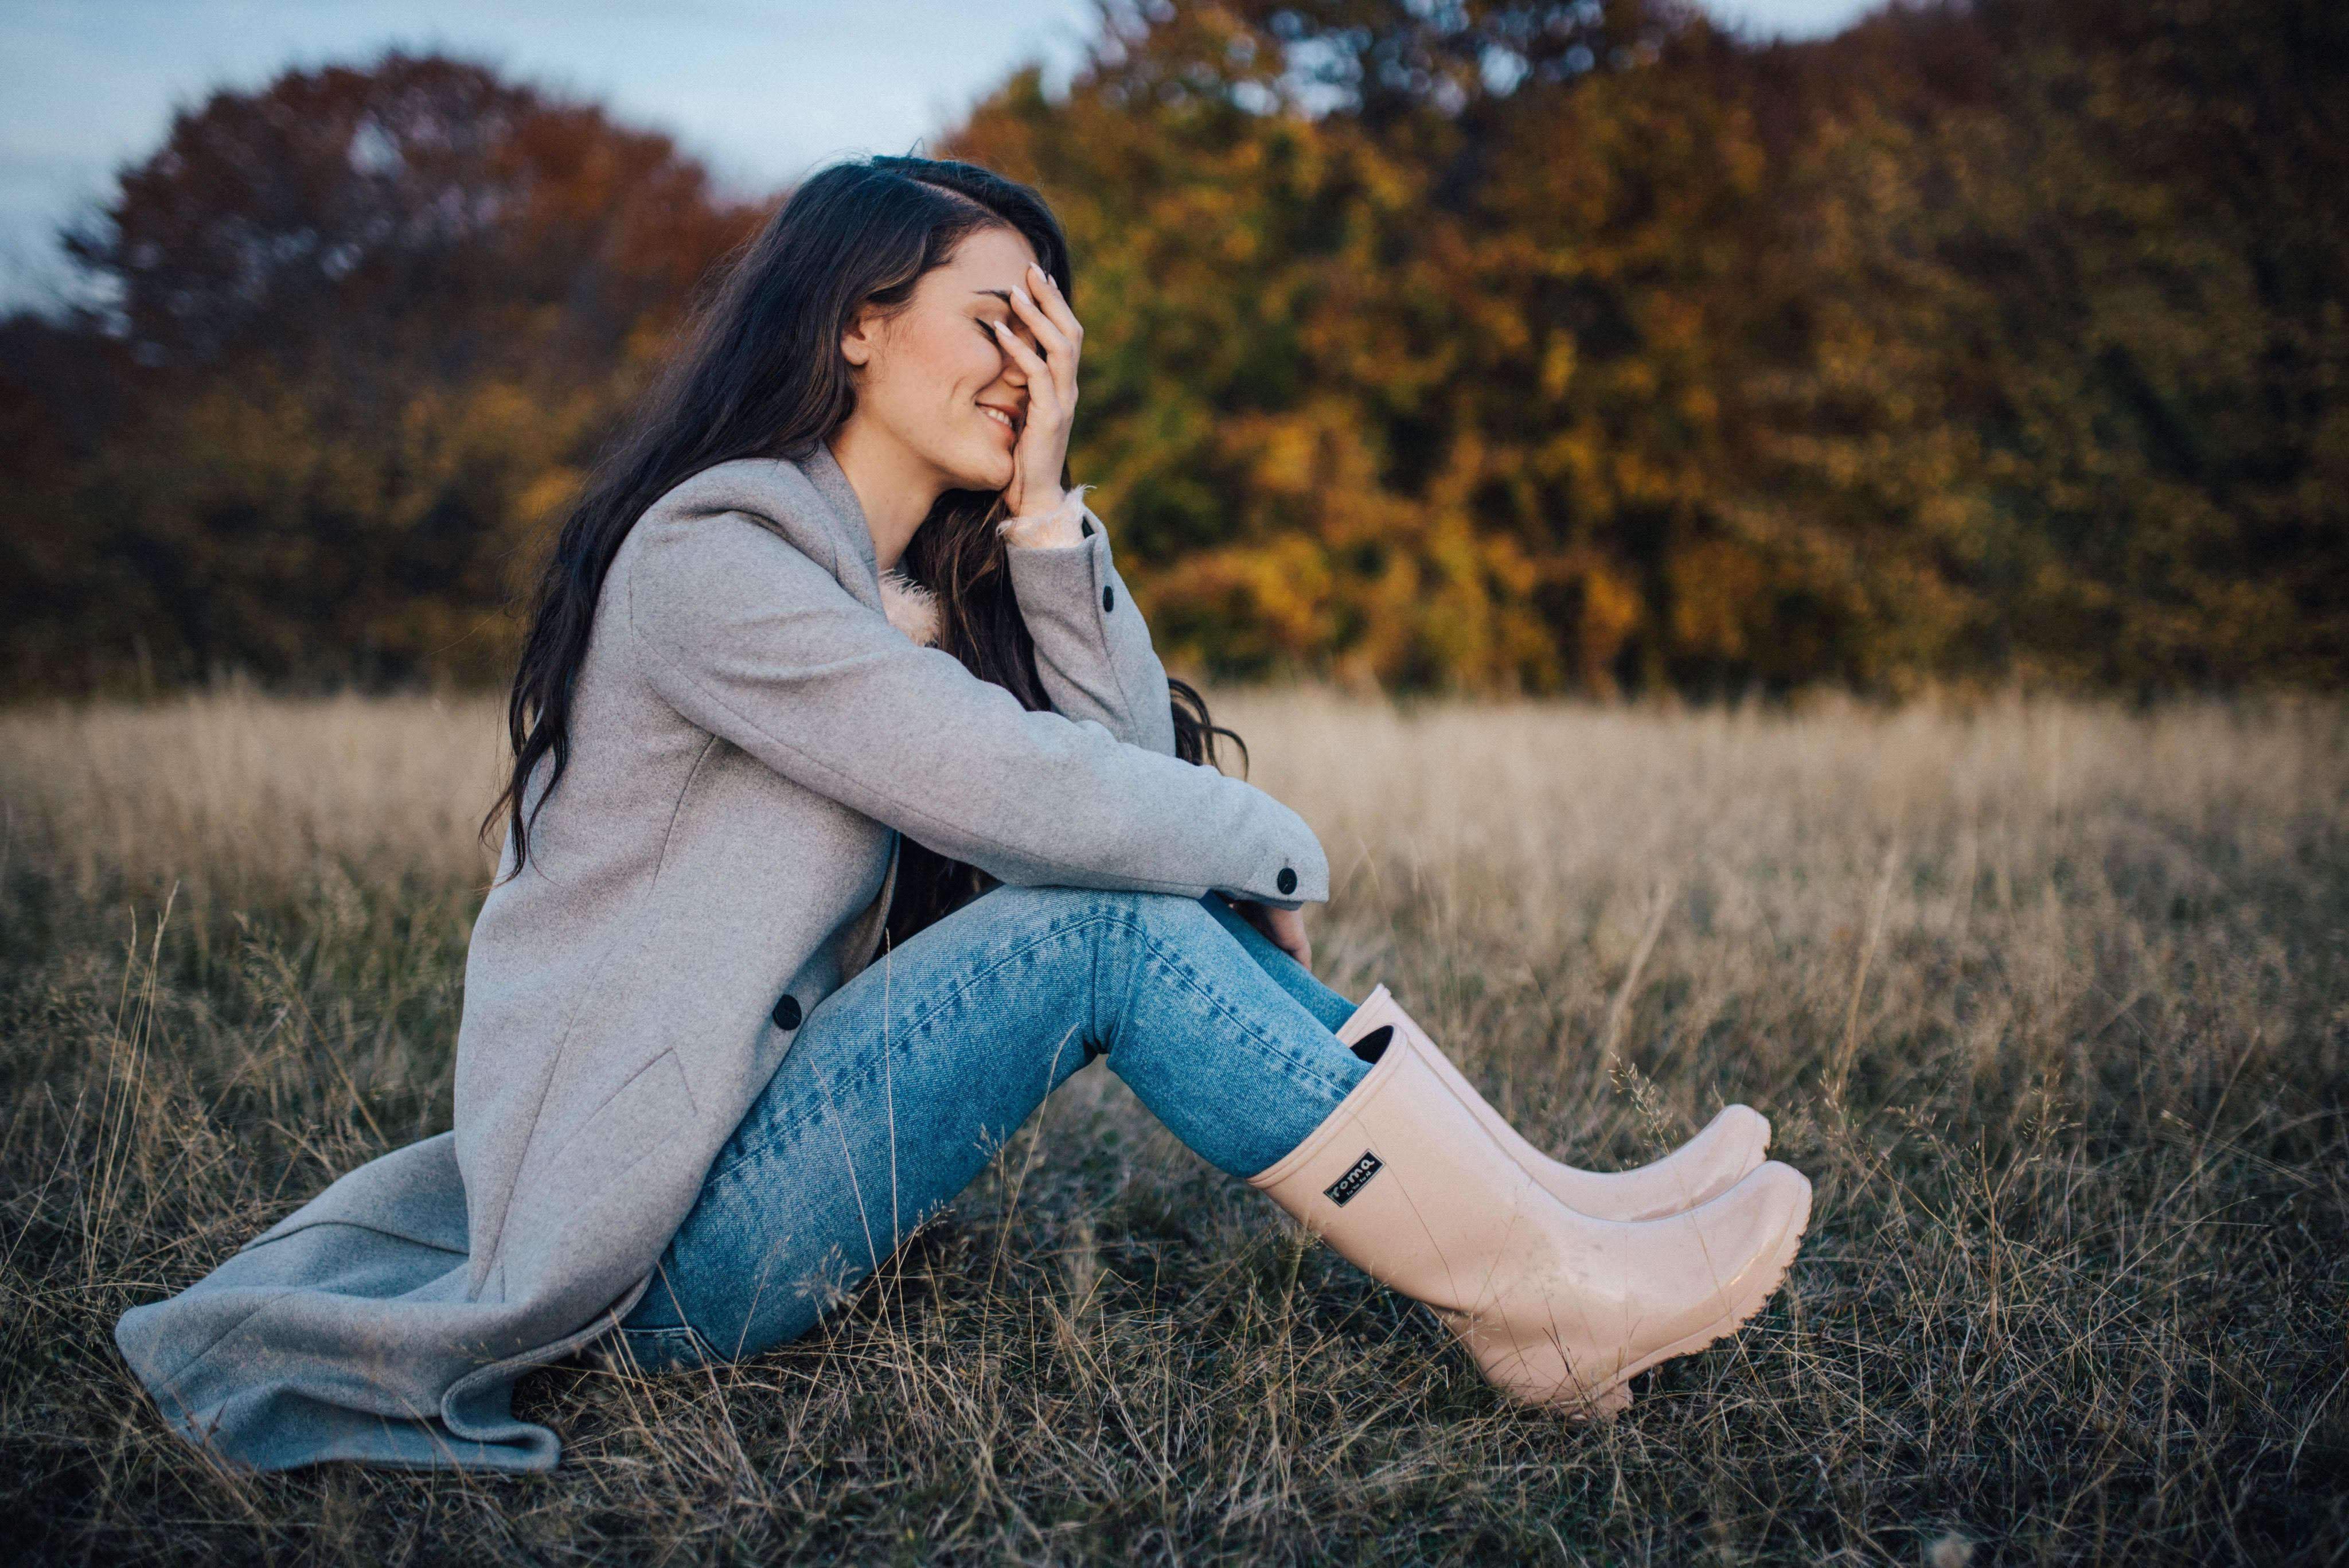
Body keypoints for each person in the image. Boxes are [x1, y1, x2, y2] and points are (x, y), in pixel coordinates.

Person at [112, 155, 1810, 1473]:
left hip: (748, 1167)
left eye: (1054, 331)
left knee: (1130, 889)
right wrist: (1280, 842)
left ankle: (1571, 1226)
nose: (1031, 360)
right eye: (998, 315)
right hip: (648, 1257)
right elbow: (1038, 798)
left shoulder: (904, 584)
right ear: (856, 318)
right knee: (1103, 912)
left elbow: (1121, 766)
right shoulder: (719, 566)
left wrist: (1049, 513)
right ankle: (1544, 1305)